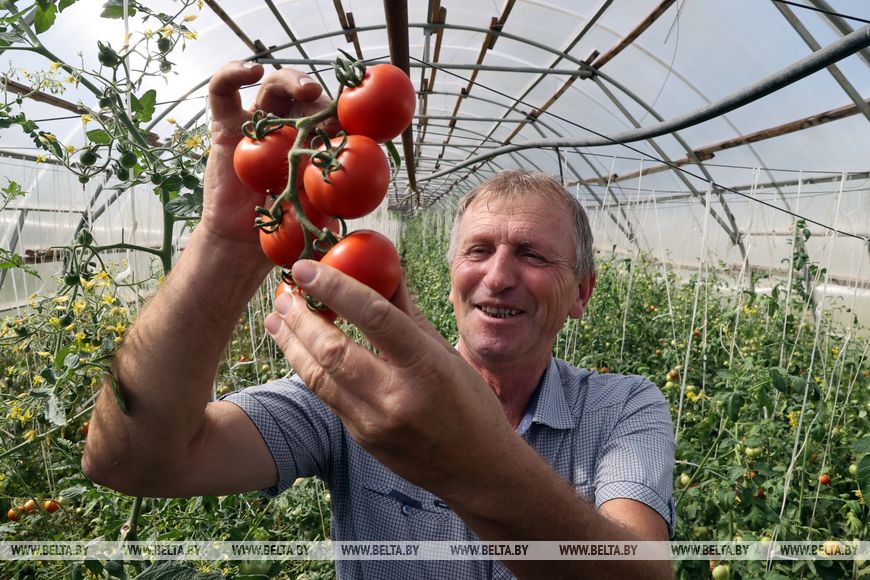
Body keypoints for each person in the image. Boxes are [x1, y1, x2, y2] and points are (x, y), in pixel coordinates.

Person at [82, 61, 676, 579]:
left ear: (582, 293)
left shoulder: (622, 409)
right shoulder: (351, 399)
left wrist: (468, 459)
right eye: (477, 252)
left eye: (533, 254)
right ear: (449, 282)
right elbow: (128, 459)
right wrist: (223, 245)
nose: (497, 277)